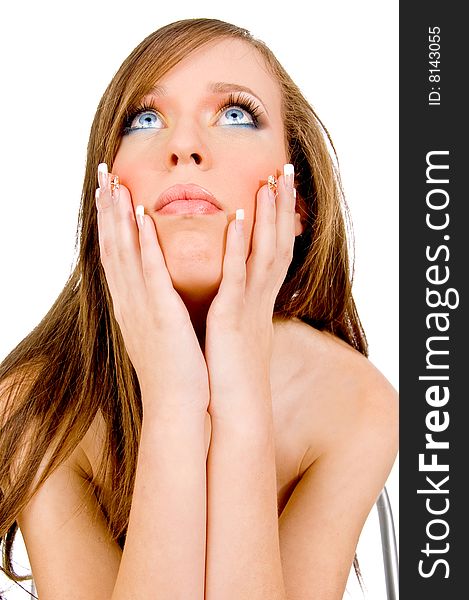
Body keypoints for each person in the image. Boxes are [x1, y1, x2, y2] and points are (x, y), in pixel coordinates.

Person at [0, 17, 398, 600]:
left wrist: (239, 404)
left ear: (296, 208)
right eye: (145, 119)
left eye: (236, 114)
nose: (183, 146)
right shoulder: (38, 407)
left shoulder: (354, 405)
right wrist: (175, 403)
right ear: (103, 195)